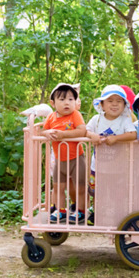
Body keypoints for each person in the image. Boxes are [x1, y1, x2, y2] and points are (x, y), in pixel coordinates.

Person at [43, 82, 88, 223]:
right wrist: (47, 132)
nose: (66, 103)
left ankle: (80, 211)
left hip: (76, 158)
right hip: (59, 159)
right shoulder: (51, 117)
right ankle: (60, 210)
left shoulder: (75, 115)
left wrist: (63, 135)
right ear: (53, 103)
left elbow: (82, 130)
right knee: (58, 187)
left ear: (75, 102)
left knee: (79, 186)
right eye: (62, 100)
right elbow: (42, 131)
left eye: (70, 99)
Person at [85, 85, 138, 206]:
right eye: (110, 101)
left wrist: (116, 138)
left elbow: (133, 134)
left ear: (124, 105)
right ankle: (97, 212)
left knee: (117, 192)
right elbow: (85, 131)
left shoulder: (125, 120)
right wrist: (92, 135)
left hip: (118, 167)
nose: (114, 104)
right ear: (102, 104)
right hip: (98, 166)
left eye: (119, 101)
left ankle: (116, 213)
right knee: (98, 192)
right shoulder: (96, 119)